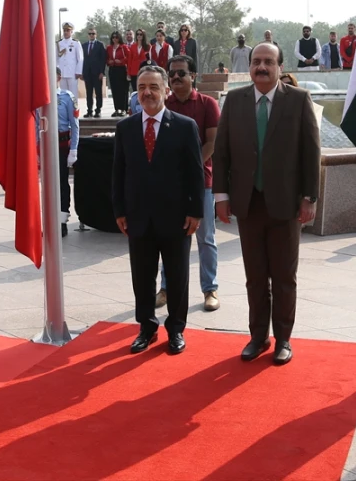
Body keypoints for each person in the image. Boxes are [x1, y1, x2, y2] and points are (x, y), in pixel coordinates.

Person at [213, 42, 320, 366]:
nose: (261, 67)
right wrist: (221, 196)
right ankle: (258, 337)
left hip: (286, 205)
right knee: (255, 276)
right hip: (248, 204)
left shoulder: (298, 100)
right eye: (256, 61)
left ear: (279, 66)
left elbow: (311, 152)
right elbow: (222, 152)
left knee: (284, 276)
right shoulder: (235, 100)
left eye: (268, 62)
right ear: (250, 66)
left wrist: (310, 197)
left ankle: (283, 340)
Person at [112, 66, 205, 356]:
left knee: (177, 276)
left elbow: (195, 174)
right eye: (141, 87)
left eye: (153, 86)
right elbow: (118, 173)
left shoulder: (184, 125)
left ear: (166, 90)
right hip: (138, 217)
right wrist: (119, 210)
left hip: (176, 217)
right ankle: (146, 327)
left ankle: (175, 329)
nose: (147, 93)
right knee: (142, 275)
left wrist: (196, 212)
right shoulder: (125, 128)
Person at [160, 55, 221, 311]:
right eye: (171, 74)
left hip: (202, 182)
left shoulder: (208, 104)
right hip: (170, 184)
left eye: (181, 73)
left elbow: (212, 143)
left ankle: (210, 289)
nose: (176, 78)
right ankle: (166, 287)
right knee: (169, 236)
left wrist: (191, 170)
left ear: (193, 76)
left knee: (205, 238)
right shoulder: (164, 105)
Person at [54, 68, 80, 237]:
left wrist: (74, 149)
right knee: (48, 186)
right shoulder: (41, 97)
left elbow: (75, 124)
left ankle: (62, 220)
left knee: (62, 183)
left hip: (63, 144)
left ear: (58, 77)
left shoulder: (67, 97)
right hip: (46, 145)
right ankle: (50, 218)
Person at [82, 28, 107, 118]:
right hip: (87, 73)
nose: (91, 35)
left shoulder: (100, 45)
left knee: (98, 93)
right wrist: (82, 72)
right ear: (88, 35)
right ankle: (89, 110)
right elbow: (82, 60)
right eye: (90, 34)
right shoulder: (84, 45)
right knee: (88, 93)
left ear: (96, 34)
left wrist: (102, 72)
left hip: (97, 73)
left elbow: (103, 59)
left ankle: (98, 110)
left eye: (93, 33)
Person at [56, 22, 83, 100]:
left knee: (73, 94)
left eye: (68, 30)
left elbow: (80, 58)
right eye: (64, 30)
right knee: (63, 94)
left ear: (71, 32)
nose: (65, 32)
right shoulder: (59, 43)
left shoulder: (76, 43)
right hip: (62, 72)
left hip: (72, 72)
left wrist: (78, 71)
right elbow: (56, 58)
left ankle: (74, 111)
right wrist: (56, 72)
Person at [106, 30, 129, 117]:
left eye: (116, 37)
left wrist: (121, 61)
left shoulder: (124, 47)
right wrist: (109, 61)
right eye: (113, 37)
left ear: (119, 38)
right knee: (114, 90)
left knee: (123, 90)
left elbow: (128, 58)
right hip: (113, 69)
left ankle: (124, 109)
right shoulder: (109, 48)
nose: (115, 39)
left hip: (122, 69)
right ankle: (117, 108)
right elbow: (106, 59)